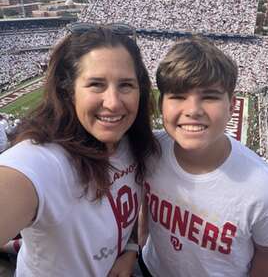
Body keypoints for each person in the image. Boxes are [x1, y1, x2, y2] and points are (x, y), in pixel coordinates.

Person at [0, 24, 159, 276]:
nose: (113, 102)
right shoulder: (43, 160)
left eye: (126, 85)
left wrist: (129, 248)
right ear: (68, 91)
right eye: (96, 84)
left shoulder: (133, 142)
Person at [138, 37, 268, 277]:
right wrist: (136, 246)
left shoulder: (265, 189)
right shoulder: (150, 150)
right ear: (162, 104)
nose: (192, 110)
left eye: (209, 97)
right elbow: (142, 205)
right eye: (178, 96)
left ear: (232, 105)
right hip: (151, 268)